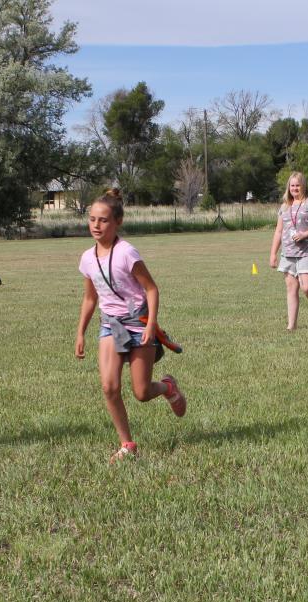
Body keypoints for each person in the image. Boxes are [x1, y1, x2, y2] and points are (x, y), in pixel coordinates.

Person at [75, 188, 186, 463]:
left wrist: (151, 325)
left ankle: (168, 387)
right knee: (109, 387)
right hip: (110, 325)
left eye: (103, 220)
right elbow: (90, 298)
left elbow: (151, 289)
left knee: (141, 392)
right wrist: (80, 333)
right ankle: (127, 444)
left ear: (118, 222)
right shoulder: (87, 258)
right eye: (92, 219)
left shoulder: (126, 253)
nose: (96, 225)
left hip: (138, 323)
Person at [269, 171, 308, 330]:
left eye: (298, 185)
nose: (295, 188)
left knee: (306, 287)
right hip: (288, 252)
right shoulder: (285, 206)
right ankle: (291, 326)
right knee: (291, 288)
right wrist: (273, 254)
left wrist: (304, 234)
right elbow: (278, 231)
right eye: (292, 185)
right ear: (288, 187)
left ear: (304, 185)